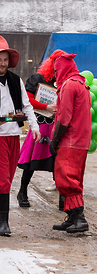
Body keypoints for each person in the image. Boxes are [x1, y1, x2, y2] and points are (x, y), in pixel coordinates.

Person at [0, 35, 41, 237]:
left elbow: (26, 105)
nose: (2, 63)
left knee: (5, 178)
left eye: (5, 59)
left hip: (14, 134)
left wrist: (34, 126)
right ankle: (3, 222)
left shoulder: (16, 80)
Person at [50, 53, 91, 233]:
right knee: (75, 179)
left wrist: (55, 140)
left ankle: (79, 218)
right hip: (81, 141)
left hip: (70, 141)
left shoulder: (68, 85)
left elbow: (64, 118)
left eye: (57, 70)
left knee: (65, 179)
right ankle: (73, 217)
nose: (56, 73)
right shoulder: (82, 84)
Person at [17, 51, 60, 207]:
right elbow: (27, 100)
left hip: (57, 127)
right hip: (40, 126)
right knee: (30, 161)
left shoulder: (65, 81)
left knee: (58, 161)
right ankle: (22, 191)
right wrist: (47, 107)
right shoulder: (37, 79)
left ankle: (63, 197)